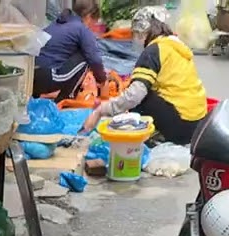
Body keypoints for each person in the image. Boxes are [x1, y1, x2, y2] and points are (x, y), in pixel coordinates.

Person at [81, 6, 208, 145]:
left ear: (143, 33)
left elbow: (135, 95)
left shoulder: (153, 50)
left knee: (141, 97)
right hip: (197, 125)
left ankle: (149, 138)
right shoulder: (176, 47)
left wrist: (101, 110)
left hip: (180, 126)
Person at [34, 0, 107, 99]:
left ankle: (41, 97)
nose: (92, 27)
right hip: (48, 77)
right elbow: (95, 60)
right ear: (89, 17)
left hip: (33, 76)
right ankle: (67, 98)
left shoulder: (56, 23)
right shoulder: (82, 29)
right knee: (86, 55)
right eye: (94, 22)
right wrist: (102, 80)